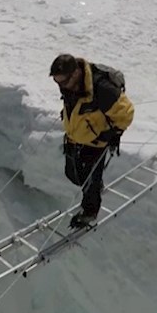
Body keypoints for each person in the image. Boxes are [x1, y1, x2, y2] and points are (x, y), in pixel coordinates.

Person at [49, 54, 134, 228]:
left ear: (75, 74)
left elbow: (126, 113)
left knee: (89, 178)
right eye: (57, 82)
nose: (60, 86)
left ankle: (90, 212)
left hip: (97, 140)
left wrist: (111, 134)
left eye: (63, 82)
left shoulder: (101, 88)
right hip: (75, 135)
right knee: (73, 173)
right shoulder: (69, 84)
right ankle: (94, 185)